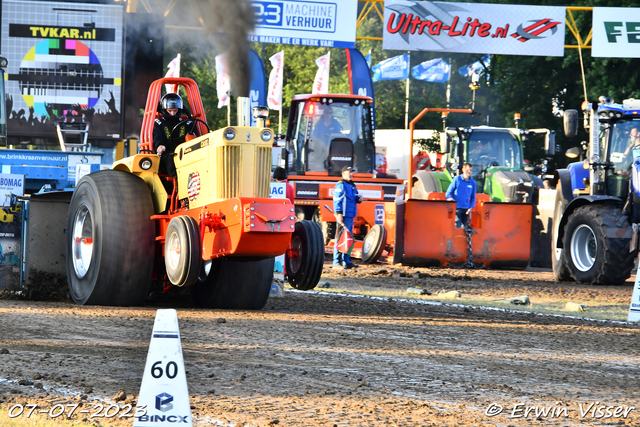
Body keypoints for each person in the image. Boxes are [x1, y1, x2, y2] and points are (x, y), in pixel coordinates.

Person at [153, 93, 193, 177]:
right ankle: (178, 183)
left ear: (180, 109)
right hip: (167, 152)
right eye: (170, 111)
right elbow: (157, 138)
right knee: (172, 157)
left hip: (185, 151)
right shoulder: (159, 123)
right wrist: (159, 146)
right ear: (164, 110)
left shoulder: (187, 124)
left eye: (175, 111)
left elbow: (193, 138)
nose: (172, 114)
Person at [333, 165, 363, 269]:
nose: (351, 174)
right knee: (340, 237)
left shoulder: (352, 185)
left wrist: (359, 199)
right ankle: (336, 262)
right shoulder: (341, 185)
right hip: (344, 216)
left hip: (350, 215)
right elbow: (337, 200)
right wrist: (339, 213)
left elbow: (354, 198)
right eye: (349, 172)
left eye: (352, 172)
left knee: (349, 238)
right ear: (343, 174)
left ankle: (347, 261)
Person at [446, 163, 477, 228]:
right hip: (457, 209)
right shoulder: (457, 179)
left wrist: (471, 208)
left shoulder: (472, 182)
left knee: (465, 229)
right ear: (463, 169)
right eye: (468, 170)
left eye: (471, 170)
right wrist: (450, 200)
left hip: (467, 210)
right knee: (457, 227)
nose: (469, 172)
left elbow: (473, 197)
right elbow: (448, 193)